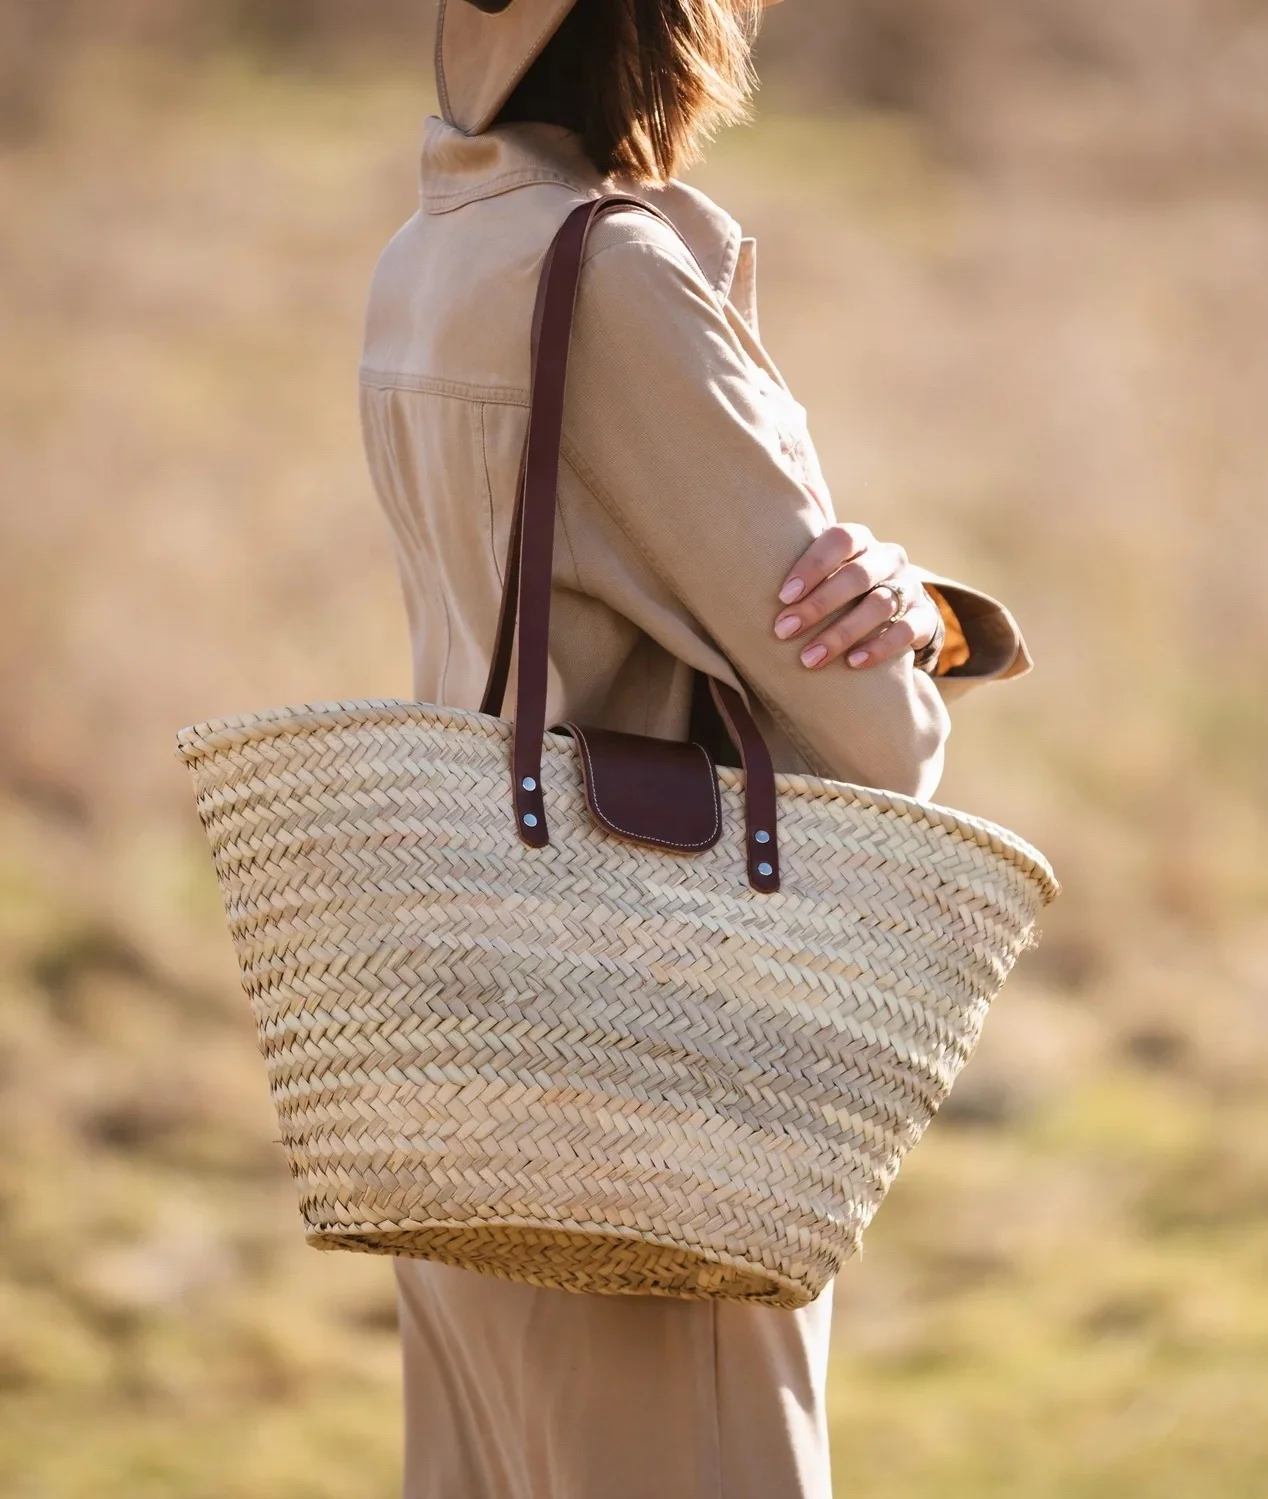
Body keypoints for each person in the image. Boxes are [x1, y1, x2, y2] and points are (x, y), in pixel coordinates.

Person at [359, 2, 1031, 1495]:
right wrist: (921, 633)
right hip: (642, 1078)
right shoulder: (611, 277)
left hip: (453, 1049)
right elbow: (874, 737)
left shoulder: (431, 256)